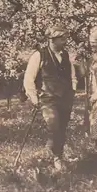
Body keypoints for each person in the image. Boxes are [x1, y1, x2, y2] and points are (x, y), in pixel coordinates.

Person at [23, 25, 78, 171]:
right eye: (62, 39)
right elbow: (29, 77)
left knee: (62, 128)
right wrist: (34, 97)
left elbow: (72, 76)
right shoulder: (39, 55)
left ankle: (56, 154)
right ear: (52, 40)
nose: (65, 41)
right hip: (47, 99)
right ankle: (55, 155)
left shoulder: (66, 55)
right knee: (54, 125)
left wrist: (72, 90)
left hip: (65, 99)